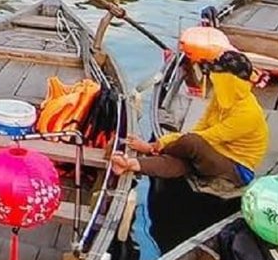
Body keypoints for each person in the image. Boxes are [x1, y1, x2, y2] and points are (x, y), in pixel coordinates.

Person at [112, 50, 267, 182]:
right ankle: (130, 164)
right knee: (182, 163)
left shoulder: (248, 113)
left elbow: (207, 137)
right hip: (214, 152)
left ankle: (151, 149)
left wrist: (160, 144)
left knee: (192, 142)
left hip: (237, 167)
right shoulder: (221, 100)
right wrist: (169, 141)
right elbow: (201, 126)